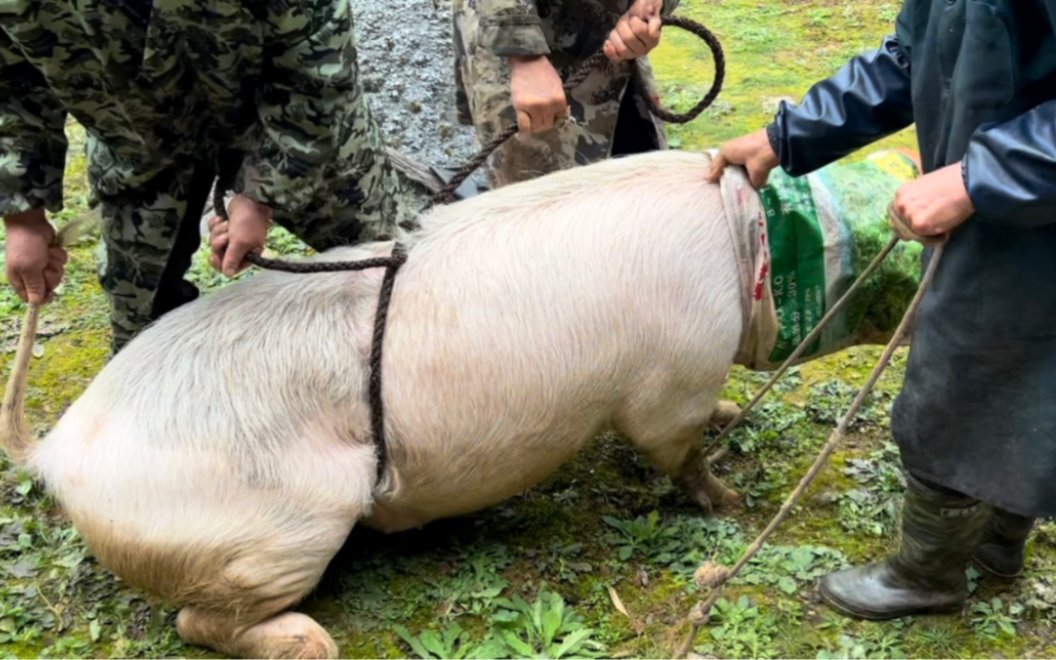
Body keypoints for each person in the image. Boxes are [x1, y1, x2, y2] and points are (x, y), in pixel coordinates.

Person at [709, 0, 1056, 621]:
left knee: (956, 372)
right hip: (996, 203)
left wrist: (979, 177)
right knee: (1015, 363)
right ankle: (996, 543)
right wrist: (784, 136)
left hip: (1023, 199)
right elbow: (910, 57)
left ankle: (928, 575)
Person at [2, 0, 412, 355]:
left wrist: (259, 195)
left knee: (400, 278)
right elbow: (12, 89)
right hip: (138, 143)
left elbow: (319, 69)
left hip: (293, 127)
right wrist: (22, 216)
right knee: (141, 335)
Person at [452, 0, 676, 189]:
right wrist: (523, 54)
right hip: (528, 49)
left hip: (614, 55)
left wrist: (652, 6)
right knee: (539, 216)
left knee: (641, 198)